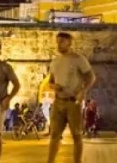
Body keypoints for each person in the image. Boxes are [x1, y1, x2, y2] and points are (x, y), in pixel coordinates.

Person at [46, 31, 96, 163]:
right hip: (58, 101)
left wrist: (83, 91)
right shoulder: (55, 61)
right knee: (54, 135)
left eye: (62, 41)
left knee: (76, 135)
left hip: (73, 102)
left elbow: (91, 77)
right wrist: (53, 86)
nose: (59, 44)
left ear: (69, 42)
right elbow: (50, 81)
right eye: (57, 41)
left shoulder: (78, 59)